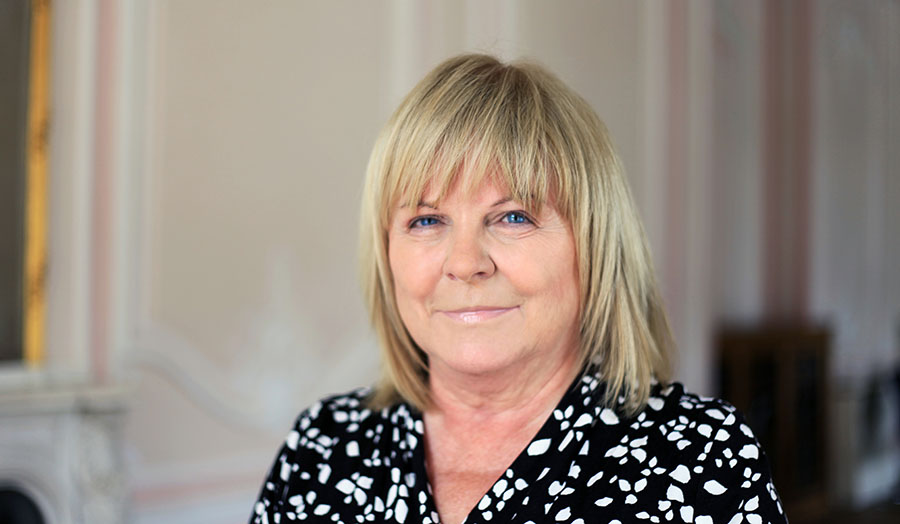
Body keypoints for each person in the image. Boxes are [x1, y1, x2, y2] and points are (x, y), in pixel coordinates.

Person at [249, 54, 787, 524]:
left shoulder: (700, 461)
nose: (465, 263)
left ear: (594, 244)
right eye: (426, 221)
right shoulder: (323, 448)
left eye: (512, 217)